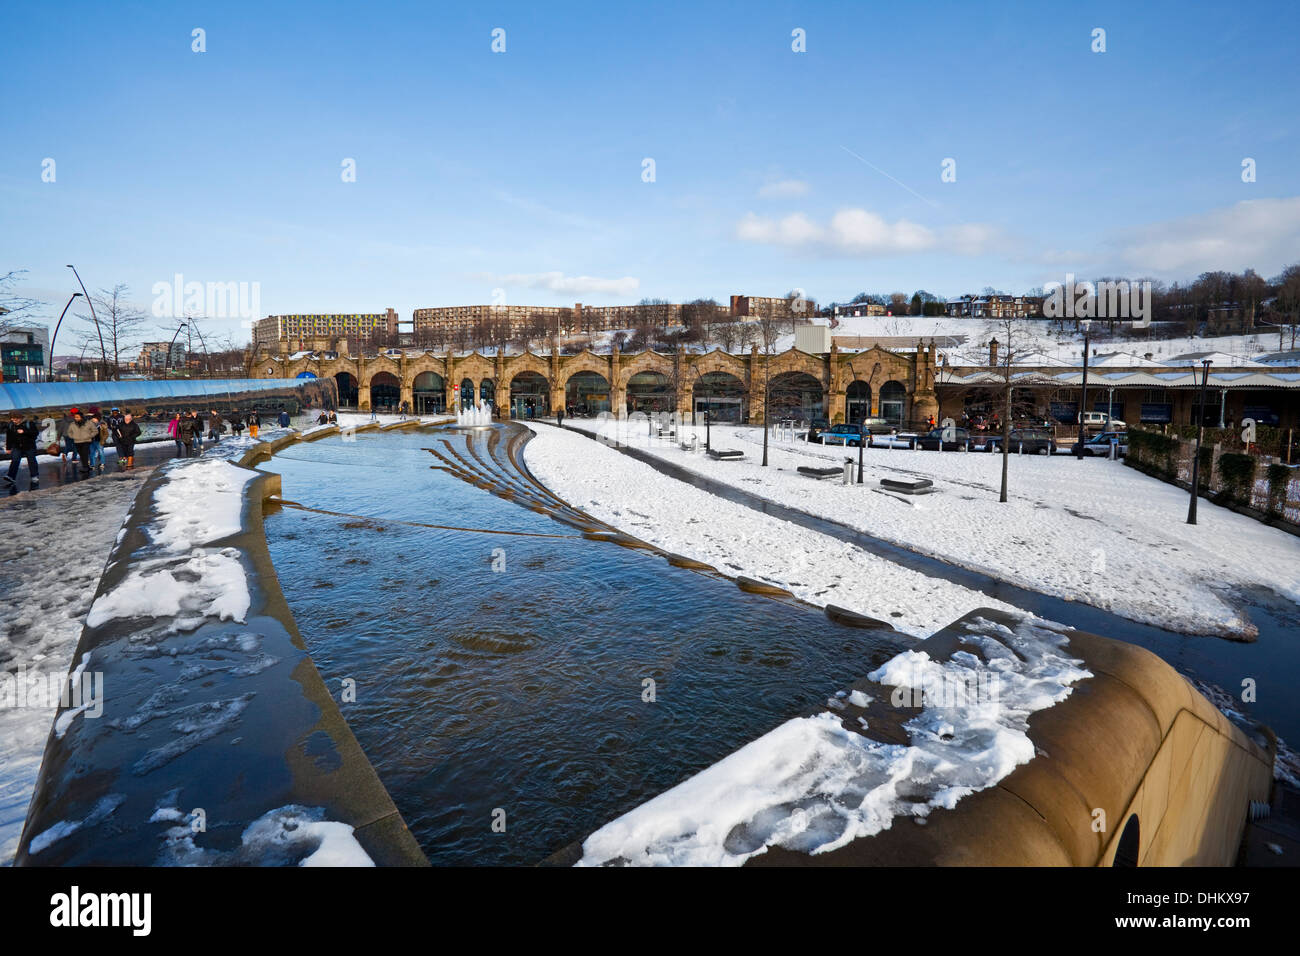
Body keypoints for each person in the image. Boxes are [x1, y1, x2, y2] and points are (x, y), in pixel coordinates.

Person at [5, 412, 41, 488]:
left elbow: (35, 433)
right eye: (12, 420)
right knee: (15, 460)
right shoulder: (11, 425)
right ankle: (11, 476)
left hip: (29, 445)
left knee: (31, 460)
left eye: (15, 420)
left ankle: (34, 476)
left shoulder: (29, 423)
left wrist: (25, 432)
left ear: (20, 418)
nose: (13, 421)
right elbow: (9, 437)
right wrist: (8, 447)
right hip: (16, 446)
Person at [66, 410, 98, 475]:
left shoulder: (88, 423)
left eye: (77, 417)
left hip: (86, 441)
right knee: (81, 454)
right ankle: (86, 466)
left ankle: (85, 467)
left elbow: (95, 431)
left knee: (84, 454)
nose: (76, 418)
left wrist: (89, 436)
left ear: (81, 417)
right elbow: (69, 432)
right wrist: (73, 436)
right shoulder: (72, 424)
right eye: (75, 417)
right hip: (77, 441)